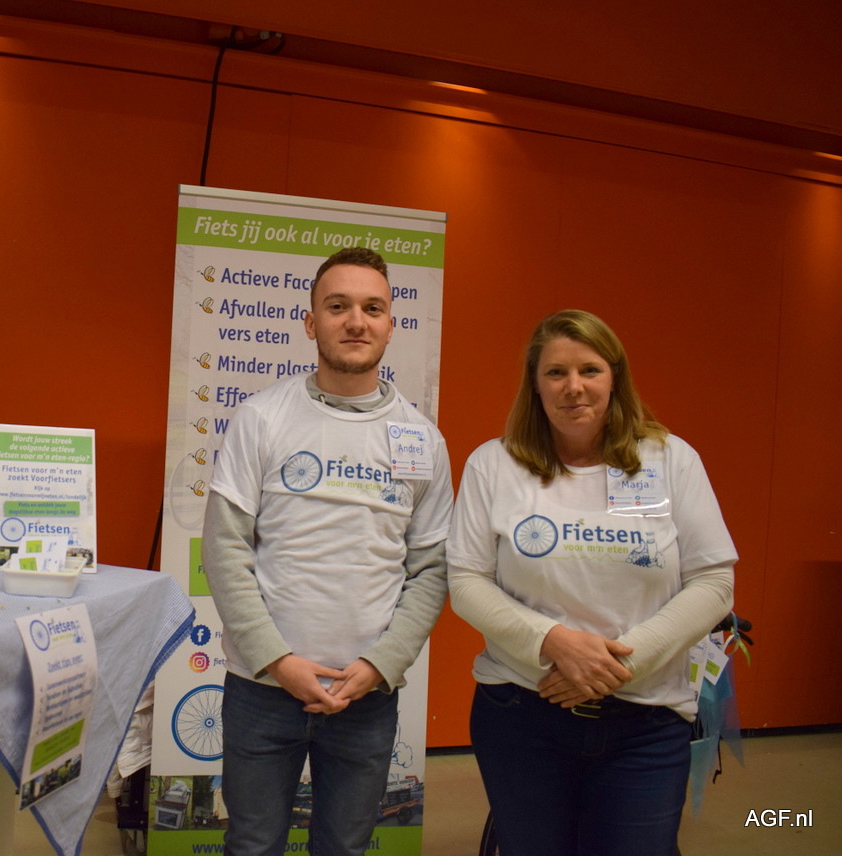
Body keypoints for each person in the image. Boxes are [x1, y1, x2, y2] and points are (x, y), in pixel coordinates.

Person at [448, 309, 737, 856]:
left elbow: (714, 581)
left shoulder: (670, 460)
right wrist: (553, 642)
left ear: (614, 377)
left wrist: (616, 665)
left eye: (590, 370)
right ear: (535, 384)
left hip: (647, 720)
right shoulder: (494, 464)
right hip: (522, 715)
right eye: (556, 372)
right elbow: (466, 581)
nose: (573, 387)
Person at [203, 246, 452, 856]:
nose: (356, 321)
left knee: (345, 847)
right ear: (311, 322)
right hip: (263, 688)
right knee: (252, 845)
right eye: (338, 307)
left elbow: (430, 570)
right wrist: (277, 661)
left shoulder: (423, 441)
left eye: (373, 308)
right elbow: (225, 551)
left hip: (366, 694)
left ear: (391, 324)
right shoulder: (262, 418)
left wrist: (382, 663)